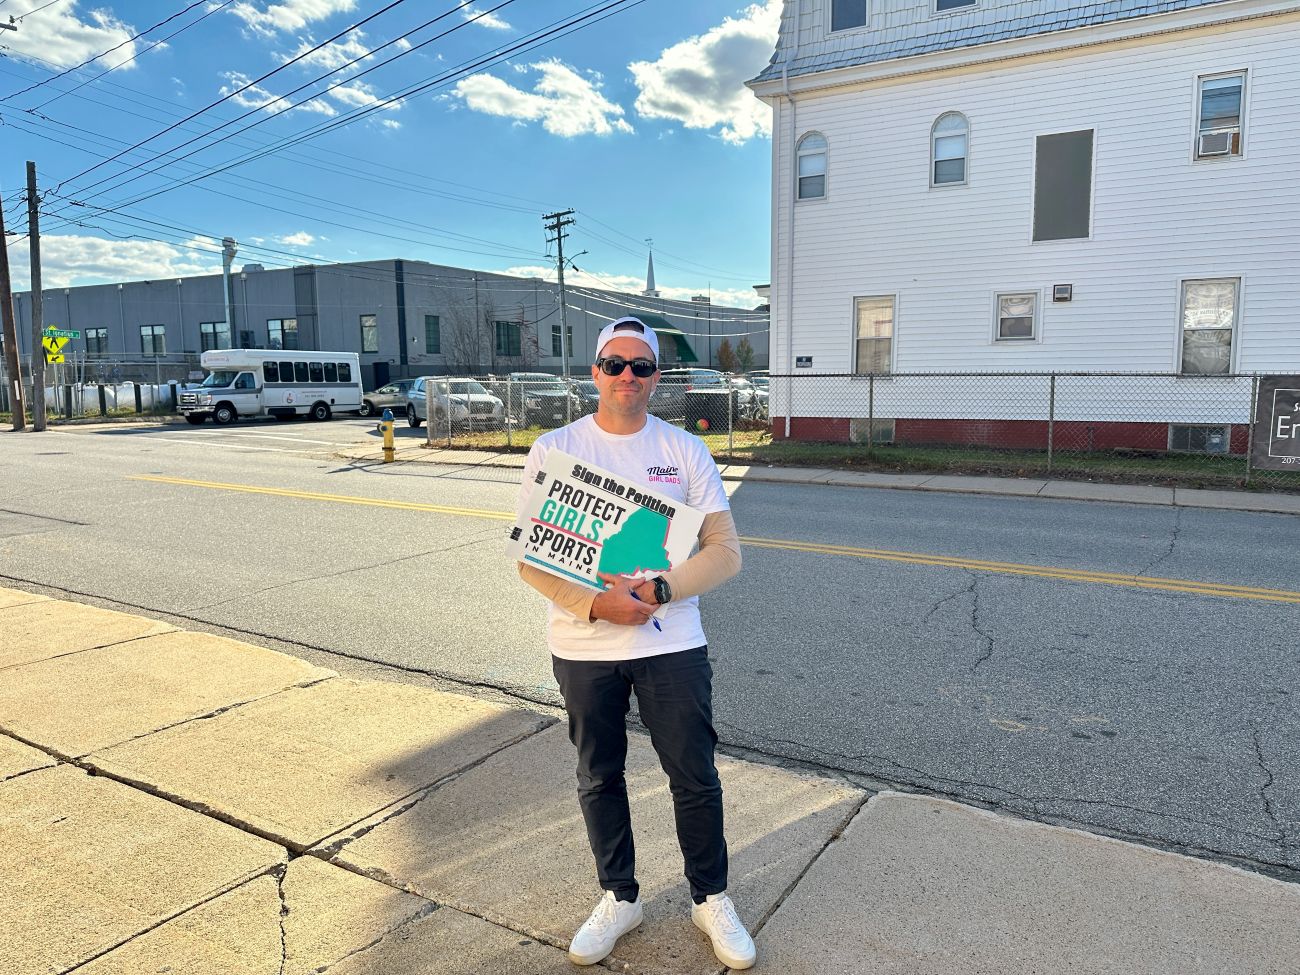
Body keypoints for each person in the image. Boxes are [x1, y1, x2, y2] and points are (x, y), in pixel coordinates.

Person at [515, 316, 755, 970]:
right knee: (599, 775)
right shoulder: (555, 449)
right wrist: (596, 603)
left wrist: (652, 594)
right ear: (594, 372)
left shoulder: (685, 451)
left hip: (671, 644)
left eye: (641, 366)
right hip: (583, 647)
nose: (627, 376)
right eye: (614, 364)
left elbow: (725, 553)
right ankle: (619, 896)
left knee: (694, 775)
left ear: (655, 376)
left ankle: (710, 895)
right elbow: (532, 560)